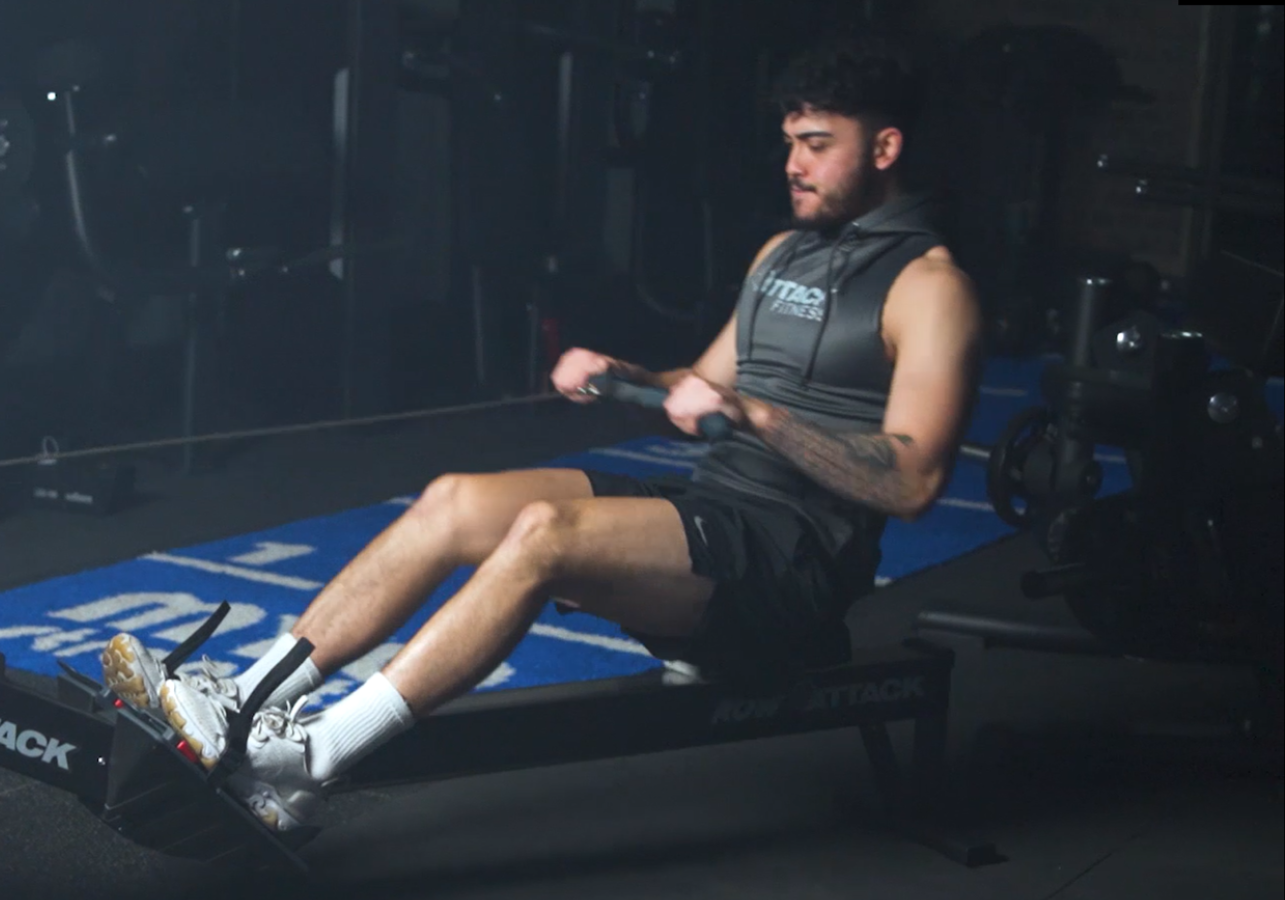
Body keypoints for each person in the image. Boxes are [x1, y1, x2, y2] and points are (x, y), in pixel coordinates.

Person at [100, 35, 981, 832]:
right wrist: (627, 377)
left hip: (791, 569)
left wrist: (759, 413)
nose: (793, 163)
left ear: (886, 147)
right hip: (717, 516)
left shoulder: (929, 287)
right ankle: (246, 708)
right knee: (456, 503)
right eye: (790, 141)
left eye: (817, 144)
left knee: (544, 537)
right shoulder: (782, 253)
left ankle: (313, 763)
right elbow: (707, 384)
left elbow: (912, 481)